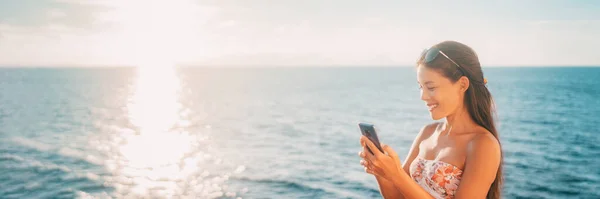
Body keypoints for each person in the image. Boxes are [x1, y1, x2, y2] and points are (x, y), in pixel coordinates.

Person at [358, 40, 503, 199]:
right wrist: (382, 172)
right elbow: (396, 197)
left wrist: (396, 174)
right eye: (421, 87)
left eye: (431, 87)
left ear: (462, 84)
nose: (423, 96)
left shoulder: (483, 144)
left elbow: (399, 179)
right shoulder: (427, 133)